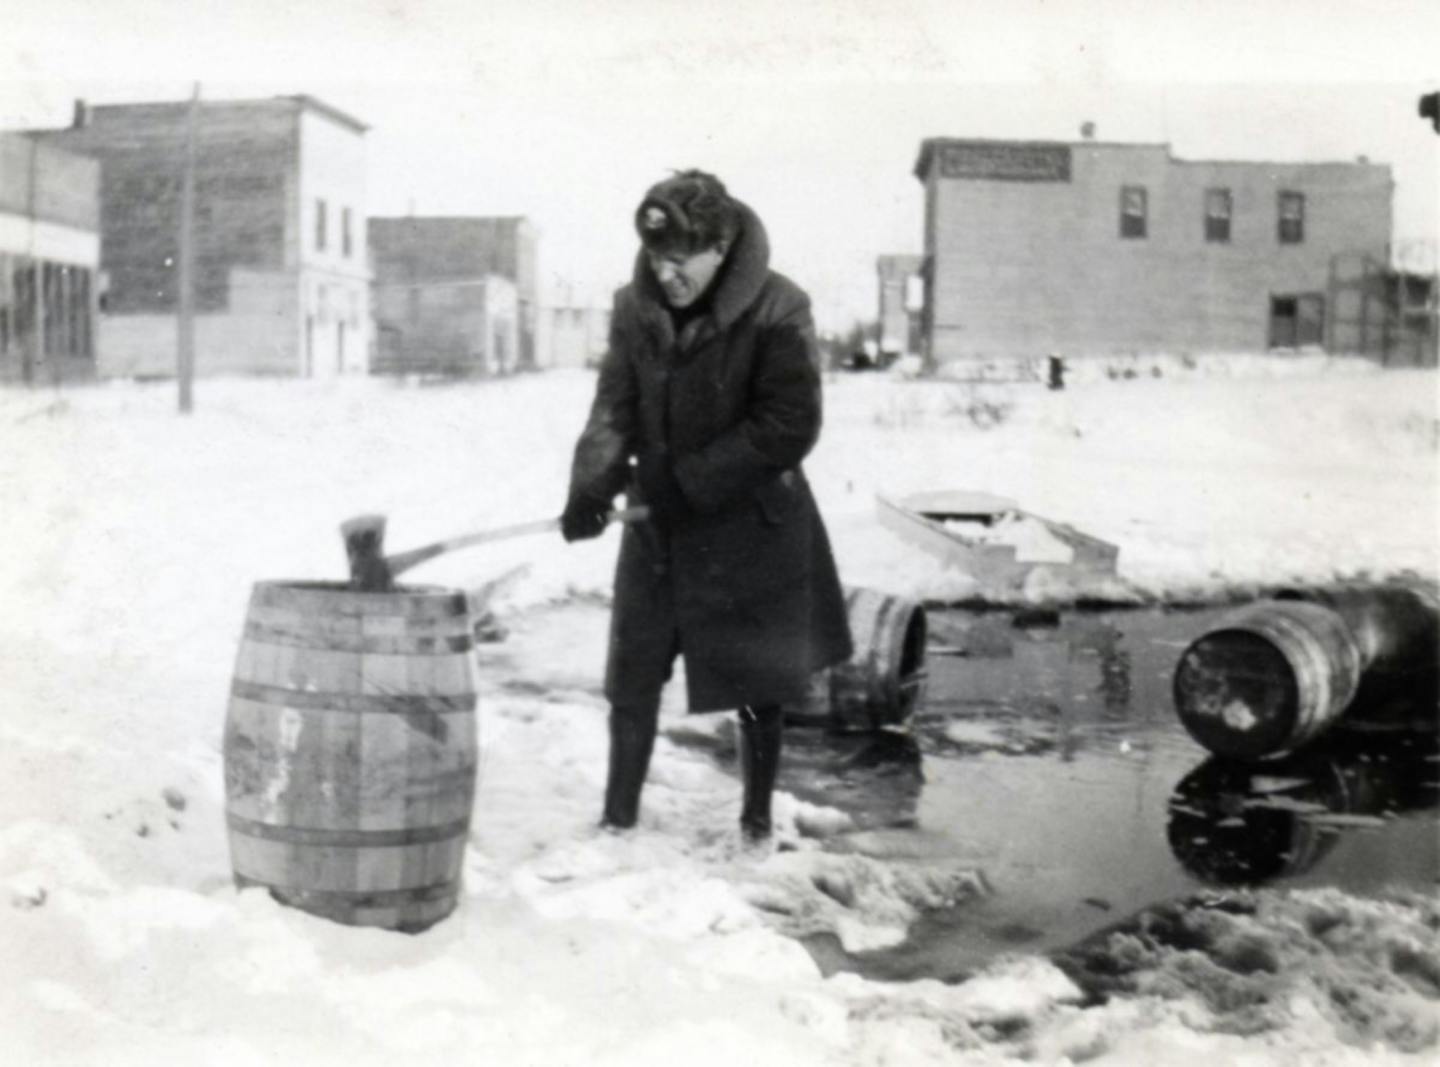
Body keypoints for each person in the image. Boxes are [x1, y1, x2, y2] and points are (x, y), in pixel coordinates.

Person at [561, 170, 853, 841]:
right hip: (658, 525)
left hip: (750, 523)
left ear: (720, 248)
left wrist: (691, 480)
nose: (667, 274)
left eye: (681, 259)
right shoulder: (634, 308)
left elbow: (789, 422)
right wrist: (591, 487)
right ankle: (617, 823)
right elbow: (615, 406)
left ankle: (755, 824)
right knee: (632, 674)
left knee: (756, 685)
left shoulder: (781, 307)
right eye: (658, 259)